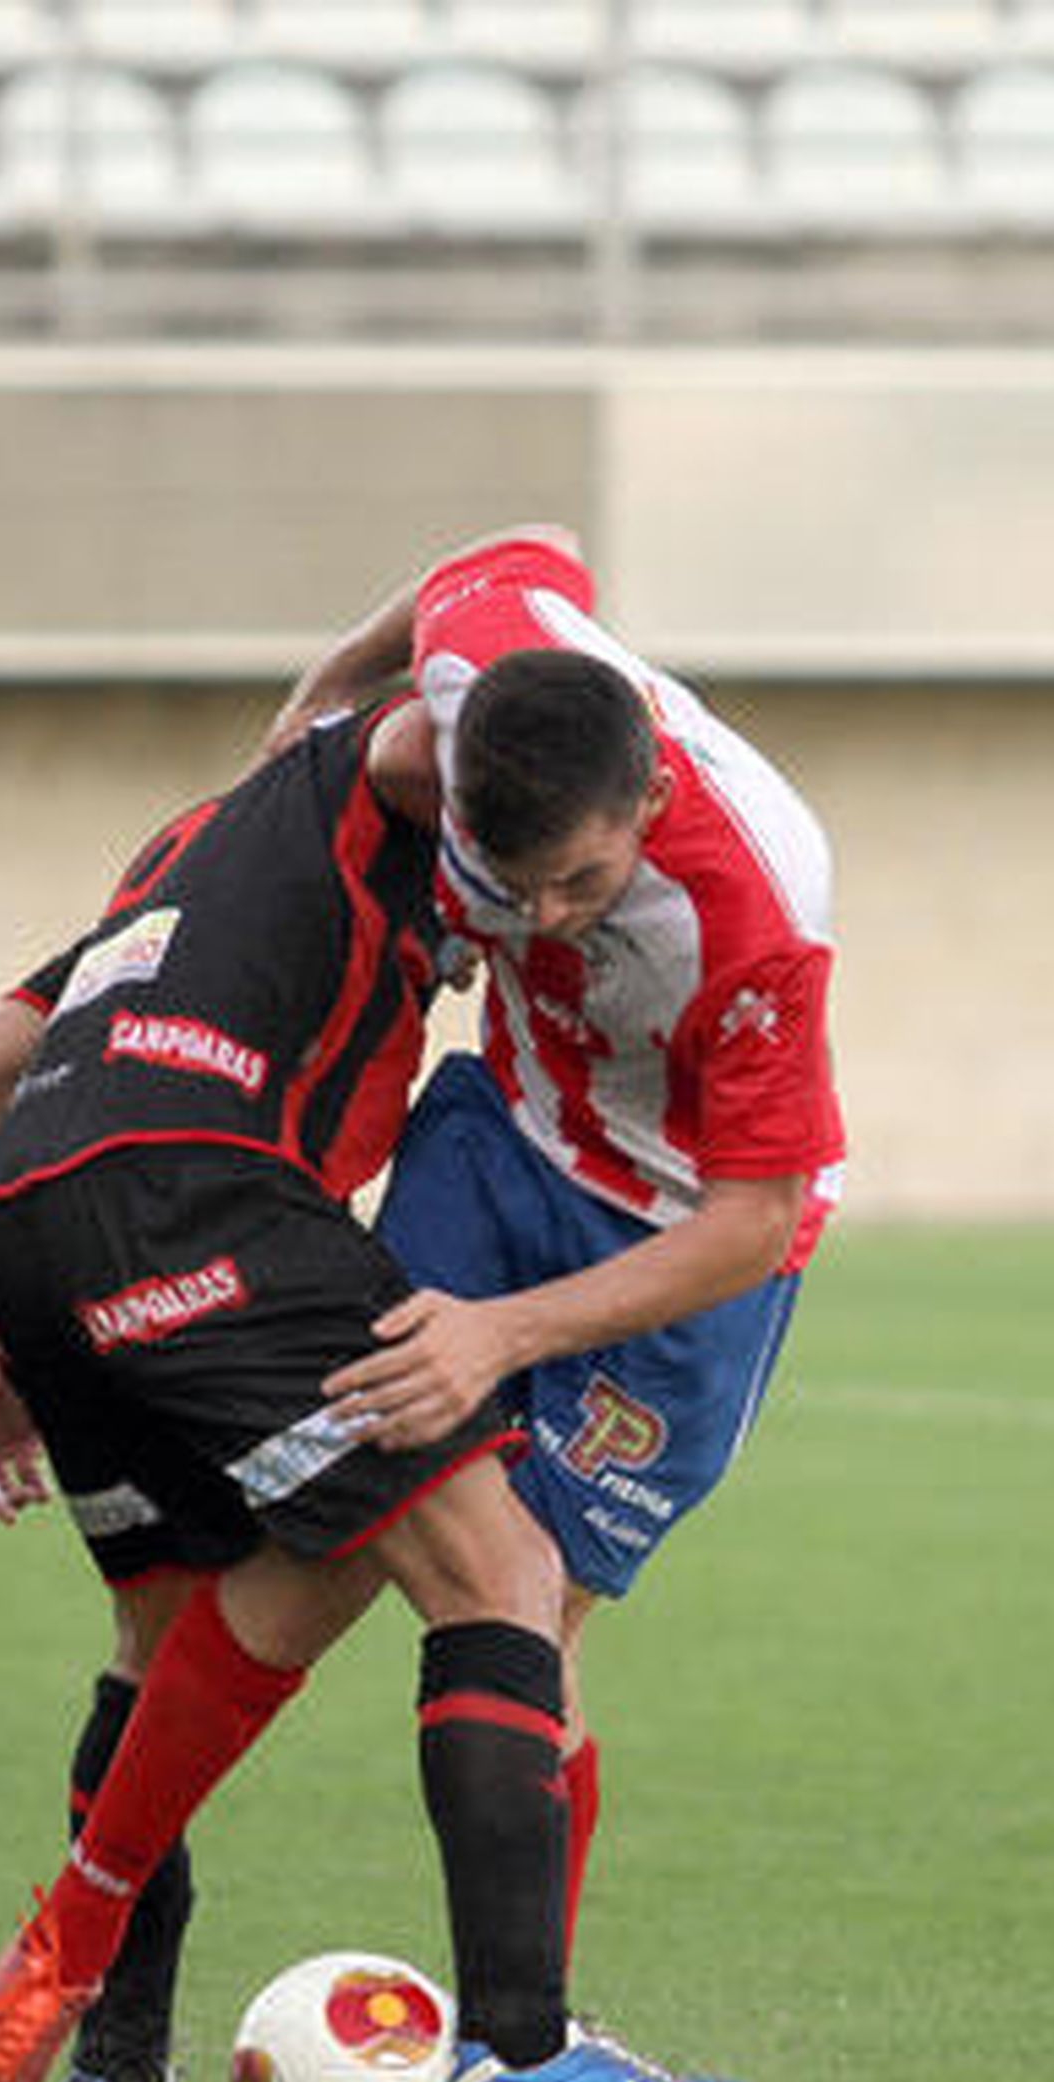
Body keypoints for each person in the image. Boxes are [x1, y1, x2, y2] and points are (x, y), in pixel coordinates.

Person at [0, 637, 750, 2082]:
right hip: (206, 1198)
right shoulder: (397, 798)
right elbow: (516, 557)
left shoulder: (189, 856)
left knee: (168, 1637)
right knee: (500, 1572)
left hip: (30, 1234)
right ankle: (526, 2050)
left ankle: (113, 2072)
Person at [277, 526, 847, 1968]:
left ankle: (527, 2028)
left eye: (581, 886)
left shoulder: (761, 914)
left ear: (649, 801)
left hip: (678, 1236)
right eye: (510, 876)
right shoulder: (482, 665)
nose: (539, 918)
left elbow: (752, 1222)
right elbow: (521, 551)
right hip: (501, 1143)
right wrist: (326, 686)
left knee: (523, 1604)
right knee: (323, 1518)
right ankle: (91, 1944)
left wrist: (499, 1336)